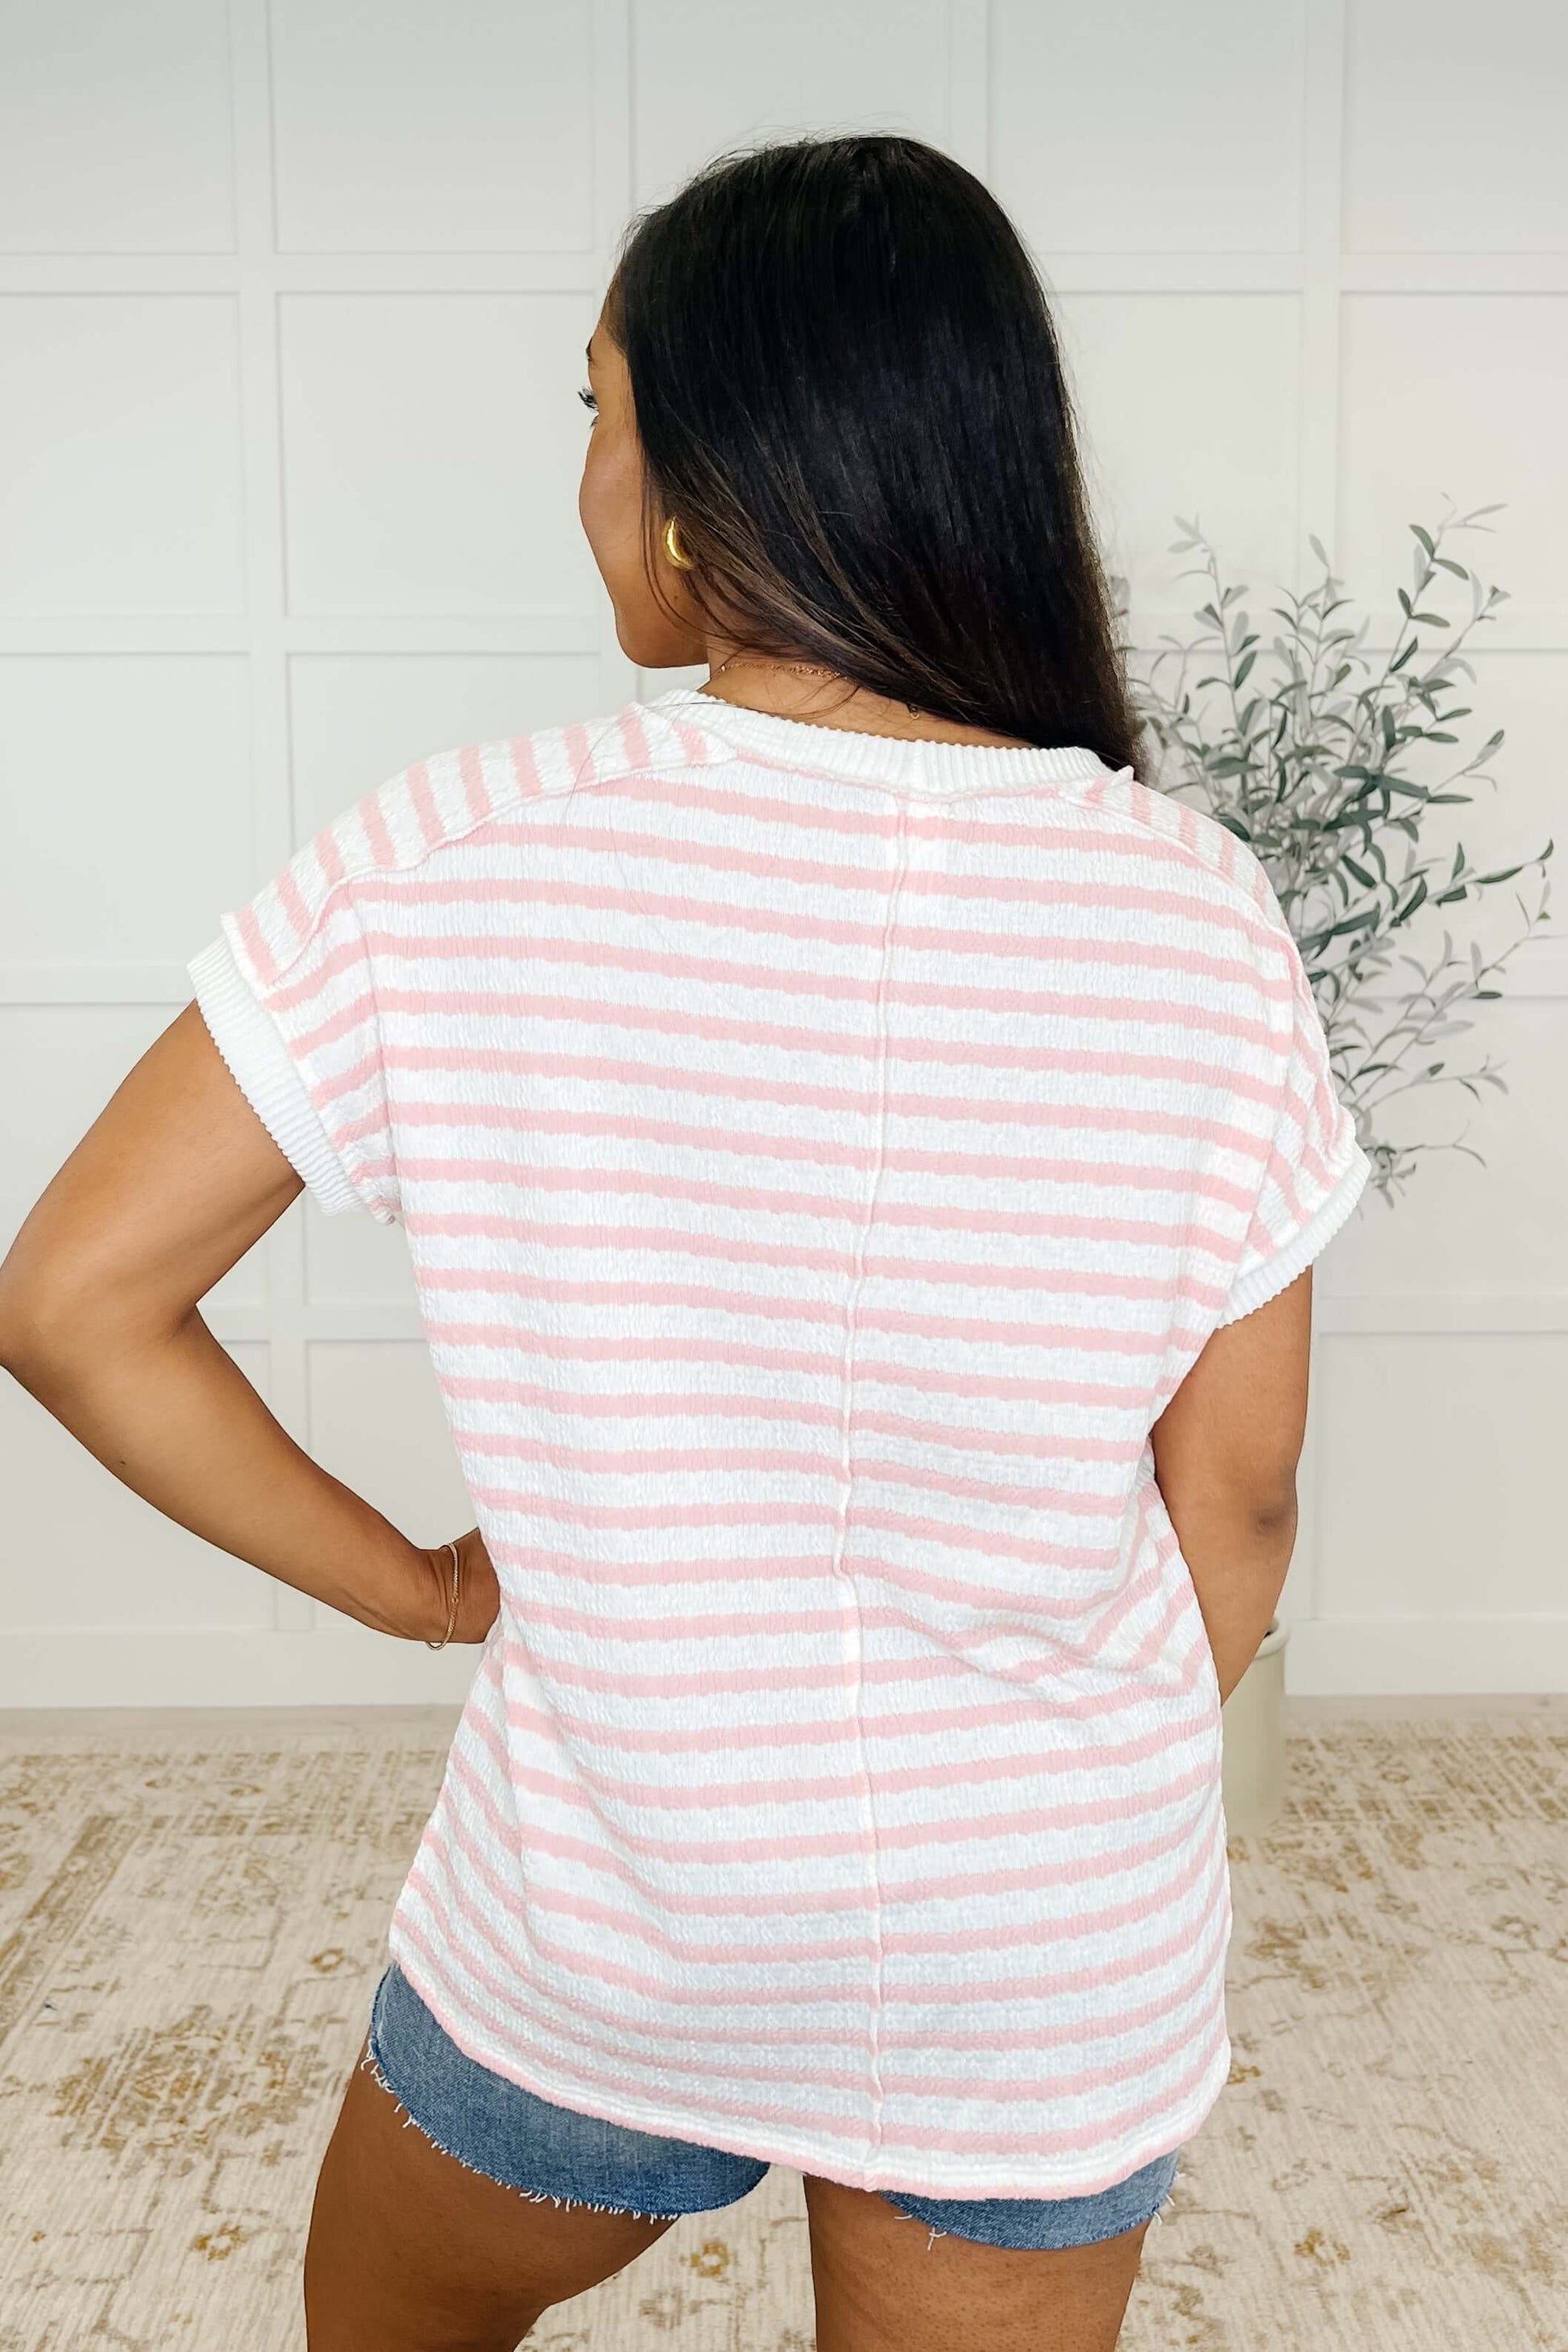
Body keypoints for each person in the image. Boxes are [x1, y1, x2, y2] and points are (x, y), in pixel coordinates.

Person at [0, 134, 1367, 2352]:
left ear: (700, 476)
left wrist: (425, 1588)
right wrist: (1049, 1785)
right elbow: (1242, 1503)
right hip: (1039, 1957)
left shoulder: (461, 855)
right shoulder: (1201, 919)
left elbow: (72, 1304)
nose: (585, 471)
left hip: (612, 1913)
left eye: (596, 404)